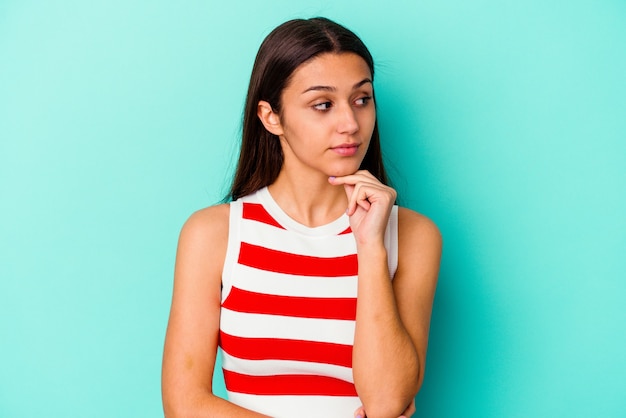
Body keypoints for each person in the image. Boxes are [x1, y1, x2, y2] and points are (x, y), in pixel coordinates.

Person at [161, 17, 441, 418]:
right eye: (323, 104)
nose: (350, 123)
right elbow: (183, 404)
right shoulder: (214, 235)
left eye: (362, 99)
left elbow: (386, 402)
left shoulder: (413, 235)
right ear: (271, 116)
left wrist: (370, 247)